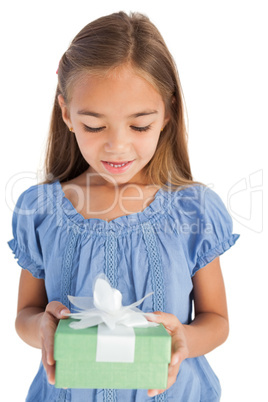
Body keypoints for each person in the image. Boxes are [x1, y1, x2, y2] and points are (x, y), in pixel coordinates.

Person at [8, 11, 240, 402]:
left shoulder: (193, 211)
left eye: (139, 125)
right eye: (95, 126)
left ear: (166, 113)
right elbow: (25, 314)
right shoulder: (41, 210)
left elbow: (216, 320)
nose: (117, 146)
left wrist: (184, 338)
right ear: (67, 113)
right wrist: (42, 328)